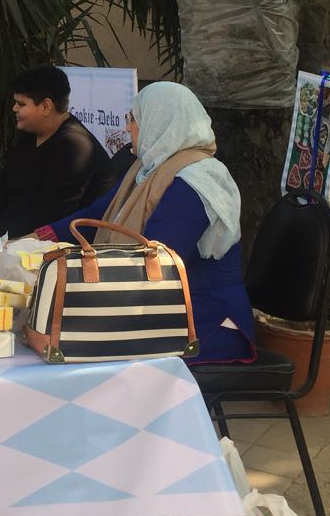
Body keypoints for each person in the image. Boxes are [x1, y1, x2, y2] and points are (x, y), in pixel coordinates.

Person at [37, 81, 256, 362]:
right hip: (159, 310)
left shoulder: (196, 180)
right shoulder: (147, 169)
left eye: (133, 118)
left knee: (79, 353)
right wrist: (35, 240)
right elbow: (97, 215)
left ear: (159, 121)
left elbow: (158, 258)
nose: (128, 127)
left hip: (205, 322)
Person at [0, 66, 115, 242]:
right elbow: (3, 188)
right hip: (6, 240)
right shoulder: (29, 135)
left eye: (21, 104)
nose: (14, 108)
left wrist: (3, 244)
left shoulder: (74, 147)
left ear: (46, 106)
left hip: (48, 248)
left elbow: (52, 216)